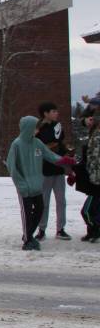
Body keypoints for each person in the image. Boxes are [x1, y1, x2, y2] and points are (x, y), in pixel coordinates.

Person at [6, 115, 76, 251]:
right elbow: (12, 167)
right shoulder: (17, 145)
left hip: (37, 186)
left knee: (39, 210)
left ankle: (28, 235)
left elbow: (50, 156)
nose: (37, 129)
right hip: (24, 187)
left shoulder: (37, 143)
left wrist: (65, 161)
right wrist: (21, 185)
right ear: (28, 128)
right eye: (35, 127)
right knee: (26, 213)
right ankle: (27, 241)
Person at [36, 102, 73, 240]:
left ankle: (60, 229)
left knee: (61, 201)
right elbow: (40, 144)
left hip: (58, 169)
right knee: (44, 202)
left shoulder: (57, 126)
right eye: (53, 111)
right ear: (45, 113)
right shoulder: (38, 127)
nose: (56, 113)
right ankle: (41, 229)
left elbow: (59, 142)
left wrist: (68, 162)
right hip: (44, 169)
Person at [76, 103, 100, 242]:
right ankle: (92, 231)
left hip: (96, 179)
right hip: (94, 177)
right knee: (93, 209)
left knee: (87, 210)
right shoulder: (94, 132)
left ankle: (95, 229)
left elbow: (95, 159)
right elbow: (82, 120)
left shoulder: (97, 135)